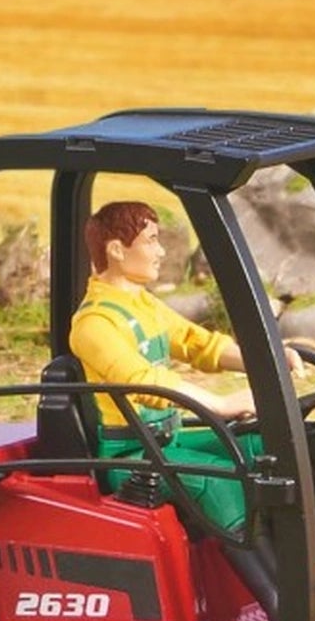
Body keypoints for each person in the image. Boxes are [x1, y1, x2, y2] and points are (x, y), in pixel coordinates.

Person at [68, 199, 292, 537]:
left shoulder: (143, 305)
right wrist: (221, 404)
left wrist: (270, 360)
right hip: (128, 456)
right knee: (220, 481)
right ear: (116, 249)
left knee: (271, 446)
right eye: (151, 240)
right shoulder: (94, 323)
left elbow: (198, 344)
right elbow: (143, 382)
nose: (160, 251)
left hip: (163, 444)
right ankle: (274, 588)